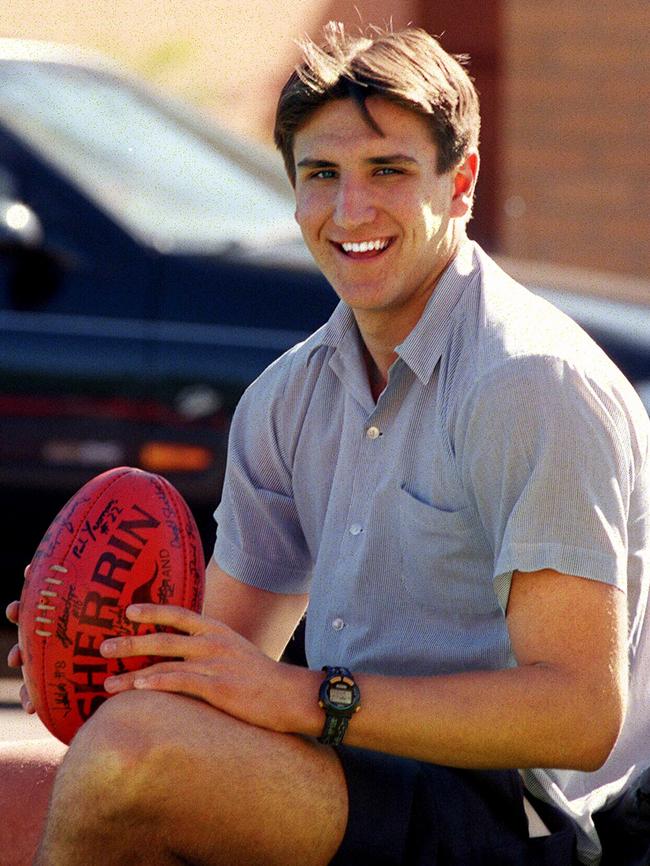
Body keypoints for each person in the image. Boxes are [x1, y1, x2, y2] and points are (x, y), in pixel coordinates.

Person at [4, 22, 650, 866]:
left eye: (388, 172)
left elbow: (579, 715)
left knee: (133, 761)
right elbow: (221, 664)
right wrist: (95, 641)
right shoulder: (288, 396)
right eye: (321, 175)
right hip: (356, 772)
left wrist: (312, 699)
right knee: (56, 768)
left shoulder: (528, 382)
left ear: (460, 184)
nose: (351, 210)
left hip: (526, 817)